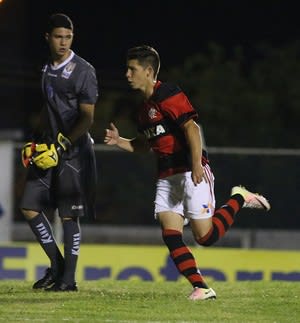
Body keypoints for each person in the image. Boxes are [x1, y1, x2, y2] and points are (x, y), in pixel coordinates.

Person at [104, 45, 271, 300]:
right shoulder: (143, 110)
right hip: (166, 176)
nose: (127, 74)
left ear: (148, 71)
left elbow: (191, 129)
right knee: (170, 233)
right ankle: (202, 287)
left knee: (205, 237)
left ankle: (239, 197)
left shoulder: (168, 93)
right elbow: (142, 145)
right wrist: (119, 141)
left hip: (189, 170)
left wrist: (195, 165)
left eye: (132, 69)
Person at [20, 13, 99, 292]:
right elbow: (47, 108)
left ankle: (69, 280)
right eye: (58, 37)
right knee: (29, 206)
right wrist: (35, 139)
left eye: (68, 37)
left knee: (69, 215)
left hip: (73, 152)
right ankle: (57, 266)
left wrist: (61, 145)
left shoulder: (83, 70)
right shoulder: (45, 68)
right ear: (48, 38)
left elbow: (88, 118)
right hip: (47, 148)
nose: (63, 42)